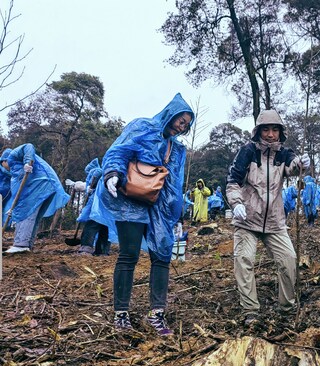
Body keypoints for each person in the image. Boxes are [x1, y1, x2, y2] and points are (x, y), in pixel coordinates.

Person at [89, 93, 194, 336]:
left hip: (159, 206)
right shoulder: (142, 127)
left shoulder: (176, 149)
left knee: (162, 255)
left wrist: (177, 214)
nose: (183, 126)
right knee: (129, 254)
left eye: (187, 124)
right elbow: (119, 150)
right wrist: (112, 173)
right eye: (181, 119)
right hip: (130, 200)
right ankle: (121, 313)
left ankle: (157, 313)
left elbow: (175, 183)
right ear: (171, 113)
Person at [226, 109, 310, 326]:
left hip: (274, 220)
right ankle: (251, 311)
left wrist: (302, 164)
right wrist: (236, 204)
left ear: (280, 132)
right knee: (244, 260)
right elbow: (233, 181)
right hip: (247, 218)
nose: (270, 134)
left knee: (289, 260)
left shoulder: (285, 153)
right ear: (258, 131)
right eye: (266, 129)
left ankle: (286, 308)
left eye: (275, 130)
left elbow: (292, 169)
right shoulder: (247, 152)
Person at [2, 143, 70, 253]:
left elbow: (28, 146)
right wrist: (12, 209)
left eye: (2, 165)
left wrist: (27, 162)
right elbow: (18, 192)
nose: (6, 169)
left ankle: (20, 245)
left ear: (3, 160)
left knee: (26, 213)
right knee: (34, 217)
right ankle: (27, 245)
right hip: (47, 187)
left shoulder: (12, 156)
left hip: (39, 188)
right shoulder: (15, 171)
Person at [76, 158, 111, 256]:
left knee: (91, 225)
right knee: (105, 227)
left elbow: (97, 174)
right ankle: (103, 251)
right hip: (107, 204)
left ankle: (86, 249)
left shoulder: (96, 170)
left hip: (97, 204)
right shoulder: (106, 171)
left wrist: (91, 187)